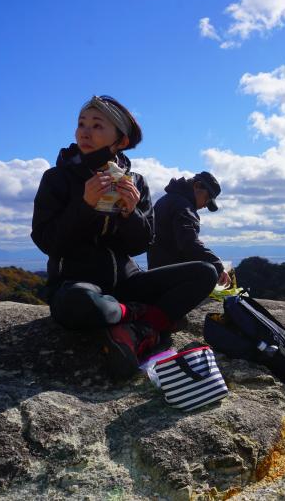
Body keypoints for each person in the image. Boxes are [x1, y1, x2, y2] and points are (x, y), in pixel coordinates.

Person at [31, 95, 217, 379]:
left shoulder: (135, 182)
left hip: (128, 283)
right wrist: (85, 206)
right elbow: (47, 241)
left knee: (205, 273)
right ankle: (143, 319)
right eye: (81, 124)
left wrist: (131, 213)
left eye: (97, 125)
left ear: (121, 140)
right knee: (77, 301)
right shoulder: (57, 178)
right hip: (78, 284)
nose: (84, 132)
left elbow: (141, 244)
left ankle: (135, 329)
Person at [147, 172, 230, 287]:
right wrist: (218, 265)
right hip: (170, 278)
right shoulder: (183, 207)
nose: (205, 205)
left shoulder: (167, 199)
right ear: (197, 186)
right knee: (209, 272)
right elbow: (189, 243)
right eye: (207, 198)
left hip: (157, 270)